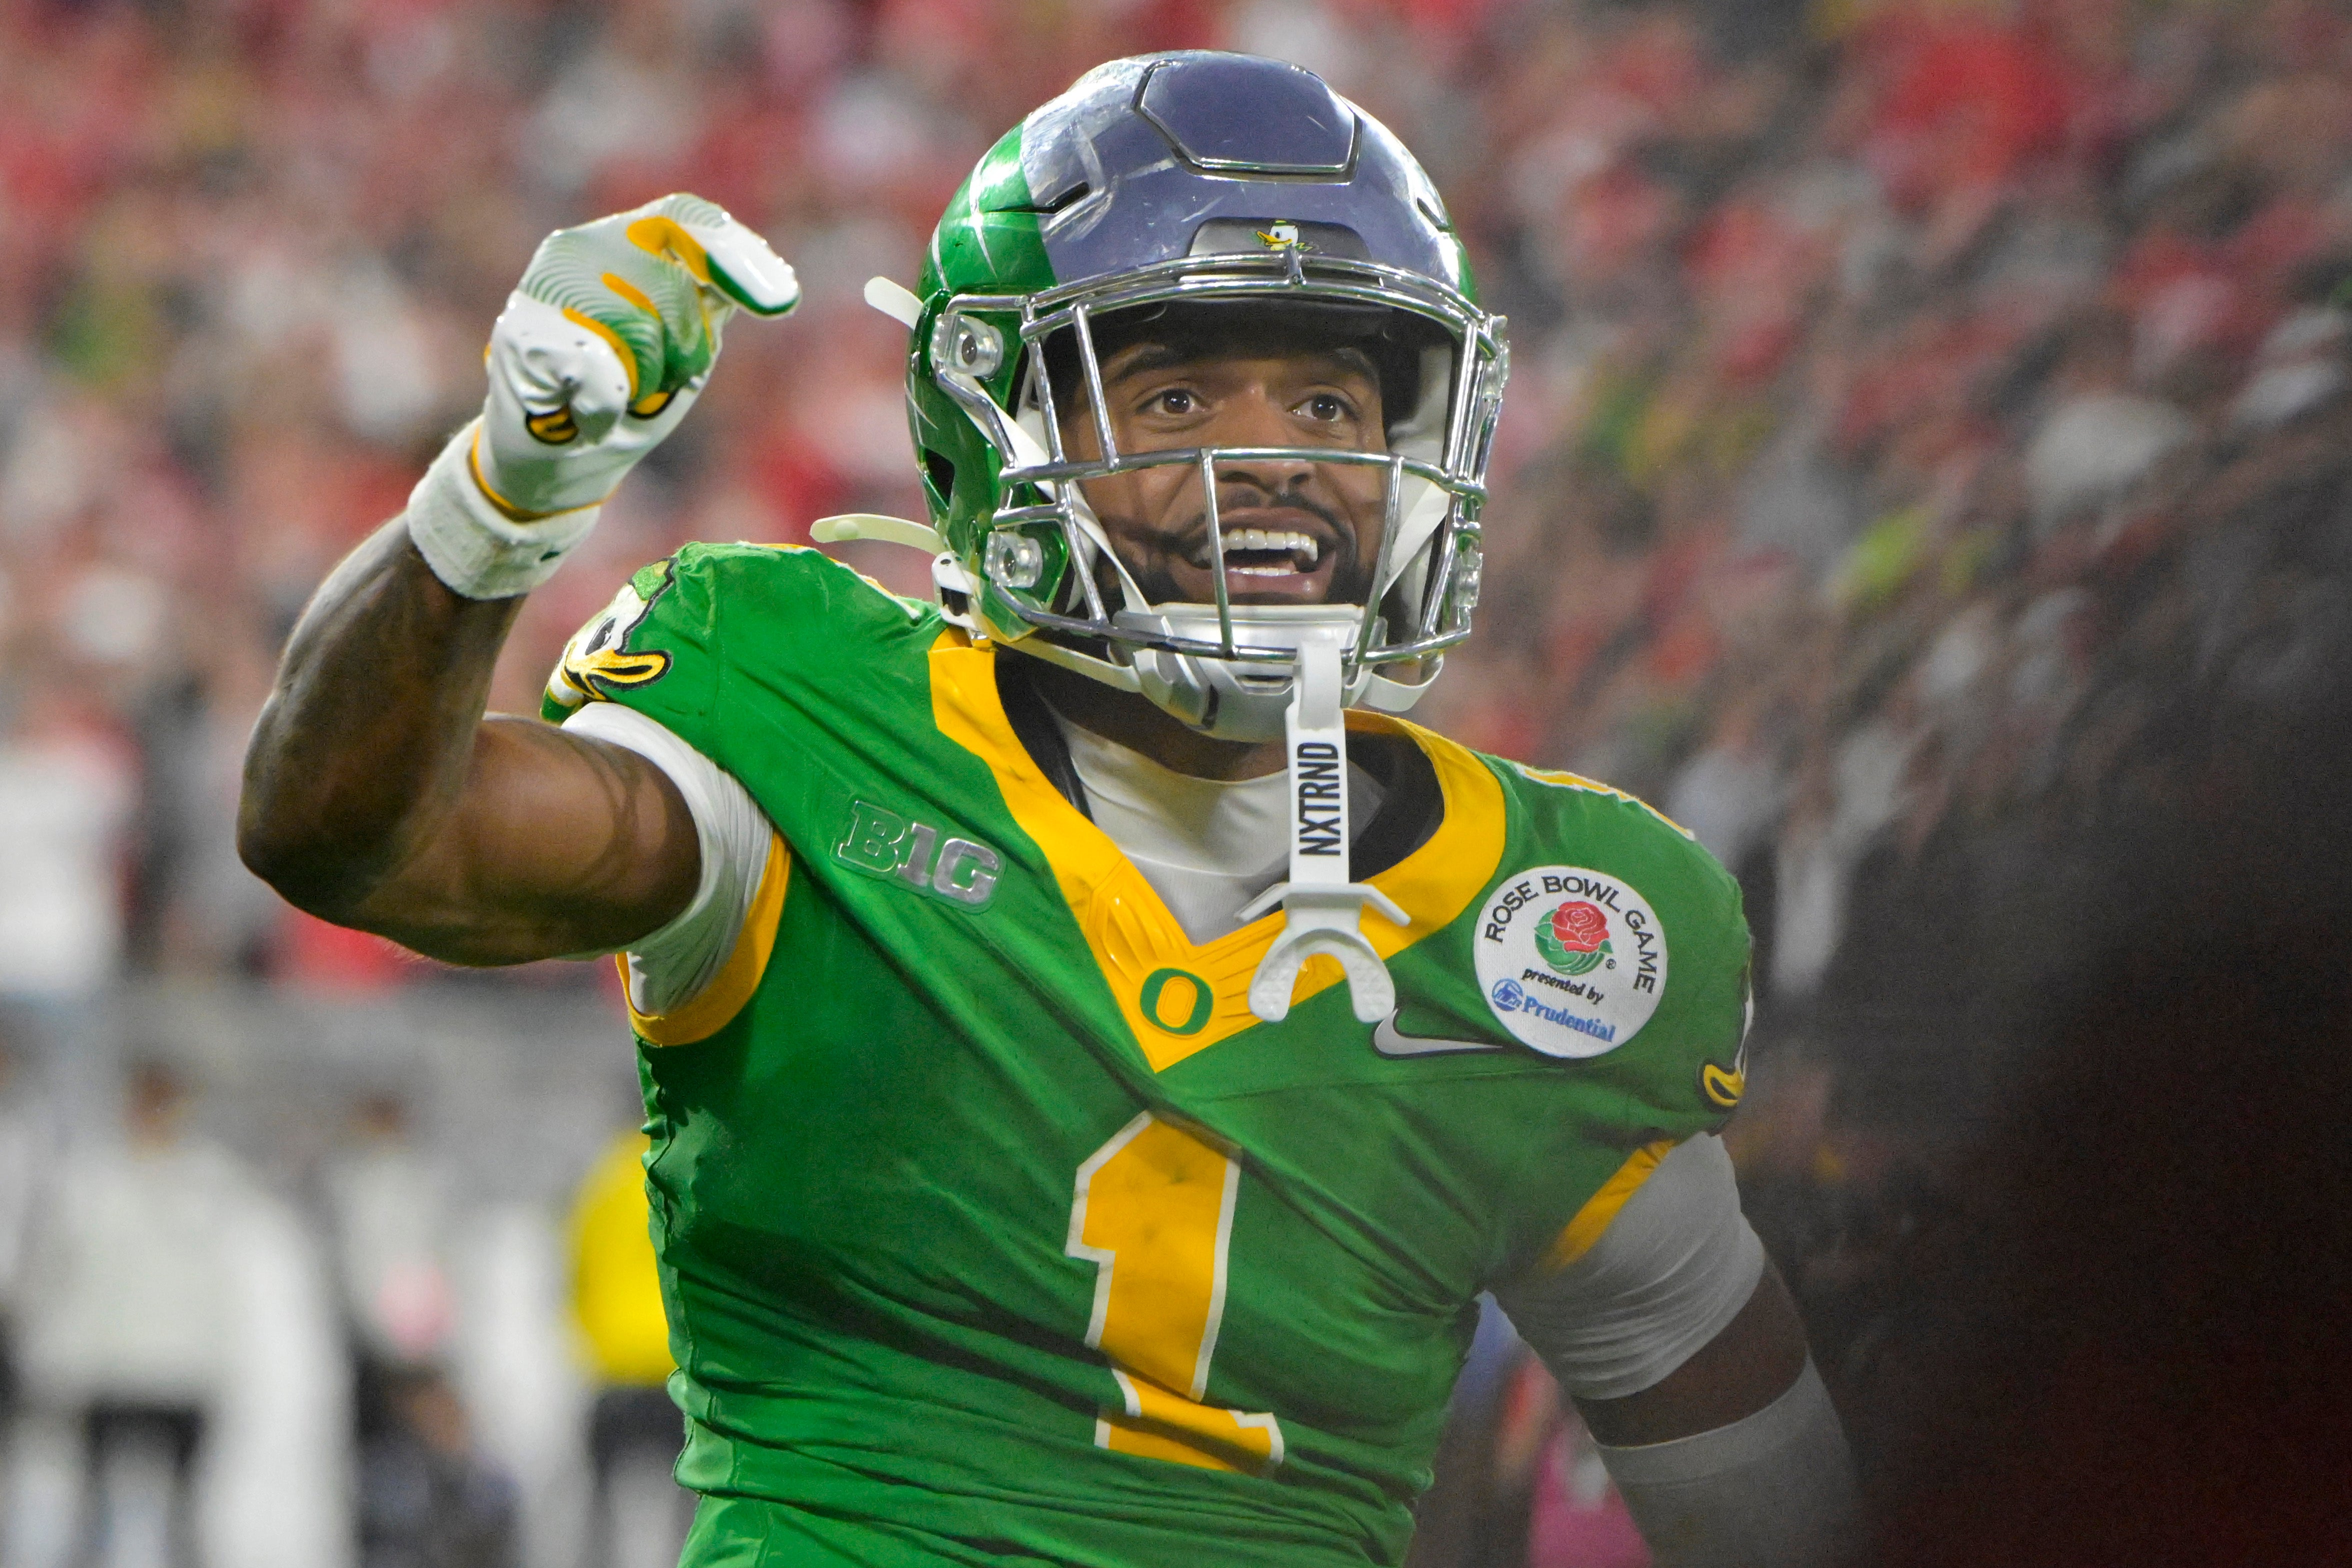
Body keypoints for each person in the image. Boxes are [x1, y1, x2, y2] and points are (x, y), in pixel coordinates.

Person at [241, 52, 1853, 1568]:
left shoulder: (1563, 921)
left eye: (1332, 405)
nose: (1277, 462)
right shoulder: (806, 716)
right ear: (994, 427)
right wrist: (497, 504)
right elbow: (350, 833)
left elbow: (1765, 1494)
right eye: (1175, 401)